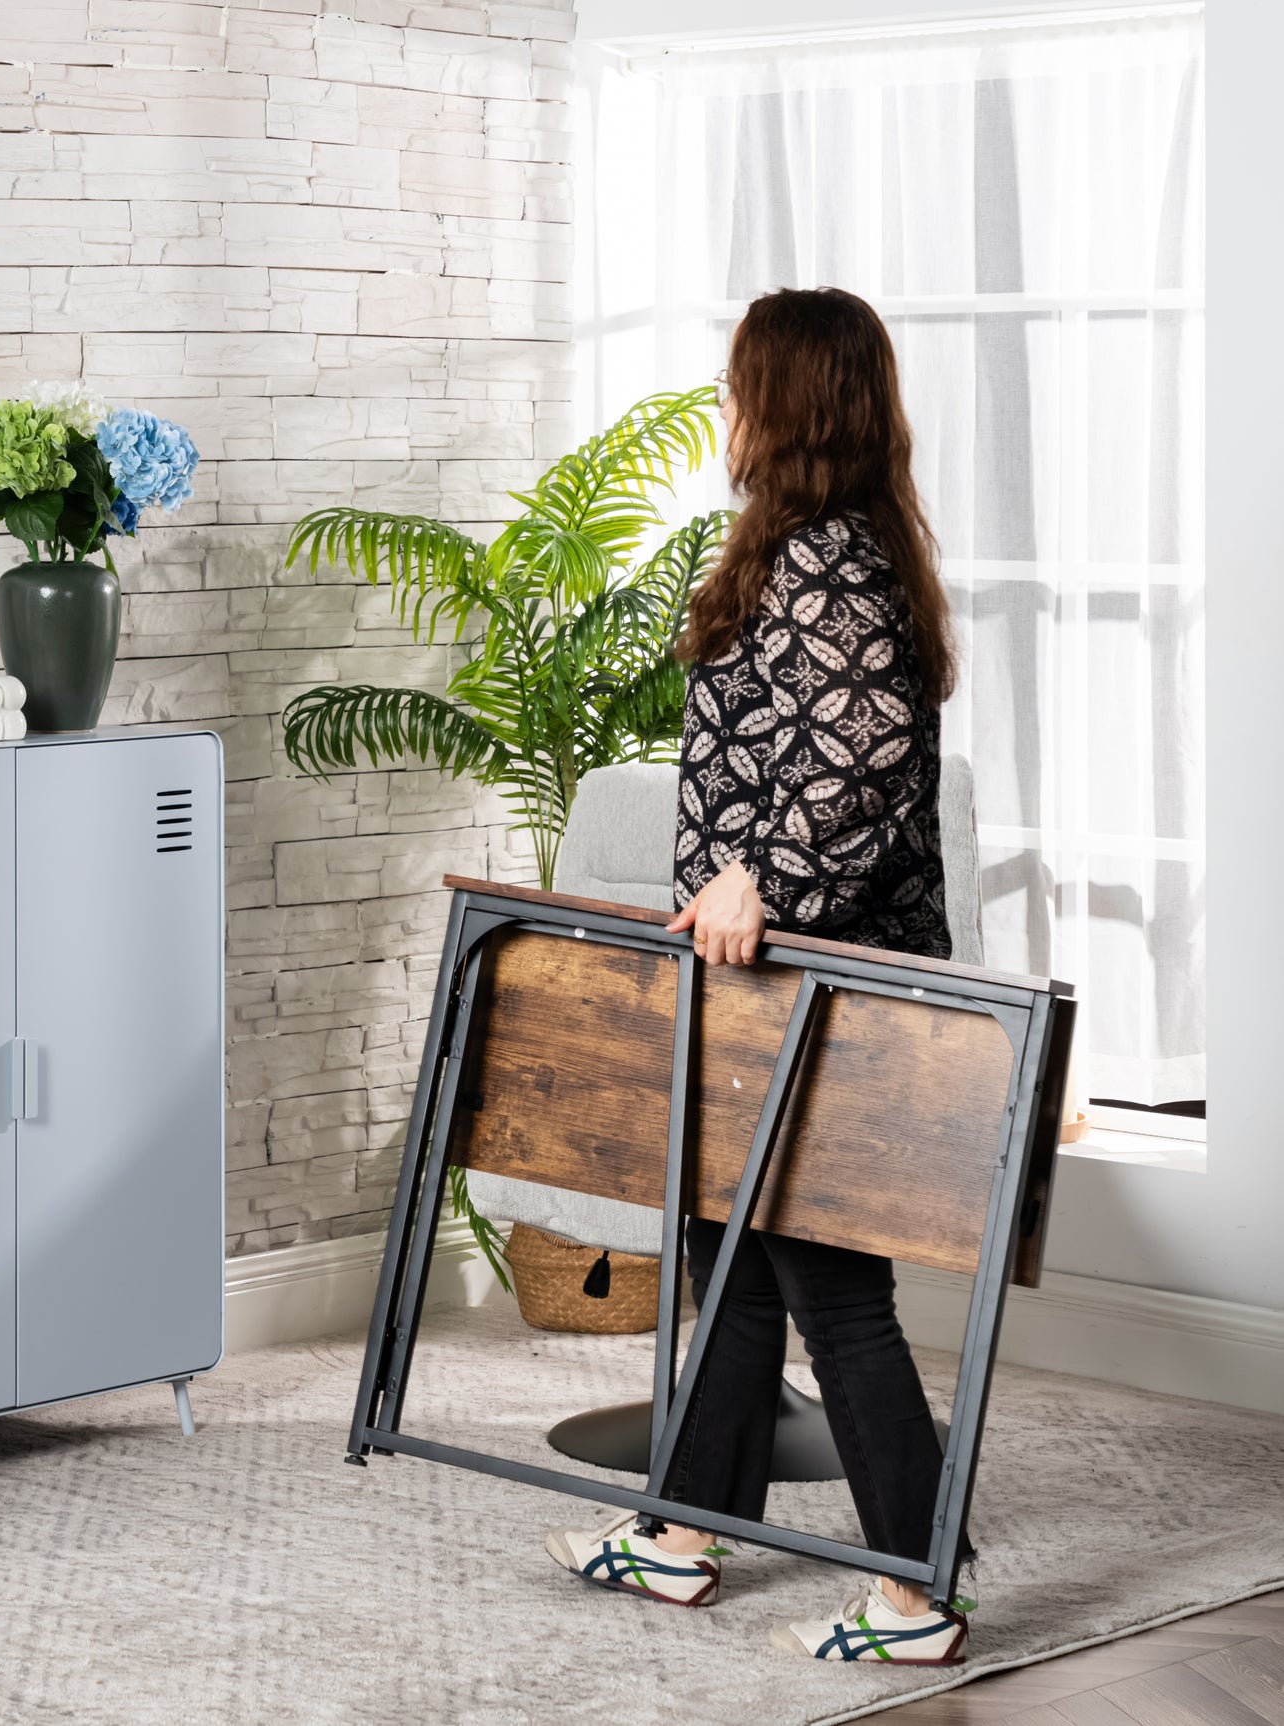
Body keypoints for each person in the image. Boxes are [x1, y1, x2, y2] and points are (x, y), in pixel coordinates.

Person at [545, 287, 971, 1666]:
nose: (722, 409)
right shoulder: (808, 547)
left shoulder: (832, 561)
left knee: (830, 1291)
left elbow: (857, 754)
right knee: (731, 1264)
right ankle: (680, 1534)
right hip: (769, 981)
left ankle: (916, 1589)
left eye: (738, 387)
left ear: (784, 403)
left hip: (824, 986)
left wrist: (761, 881)